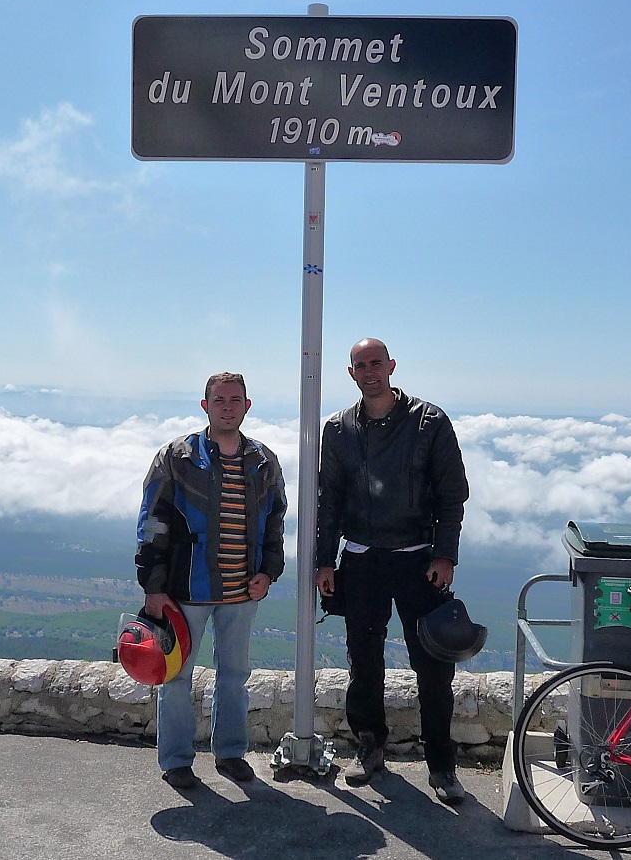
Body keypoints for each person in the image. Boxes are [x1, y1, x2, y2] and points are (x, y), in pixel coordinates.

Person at [316, 338, 470, 804]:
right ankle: (369, 748)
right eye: (360, 365)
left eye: (376, 363)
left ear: (391, 366)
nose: (369, 372)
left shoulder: (429, 421)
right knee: (363, 662)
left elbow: (452, 495)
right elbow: (329, 501)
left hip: (419, 560)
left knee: (433, 665)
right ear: (351, 373)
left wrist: (445, 556)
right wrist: (325, 560)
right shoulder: (338, 429)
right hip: (361, 560)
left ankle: (441, 765)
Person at [135, 372, 286, 789]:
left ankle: (231, 754)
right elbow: (153, 522)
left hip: (242, 591)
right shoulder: (177, 457)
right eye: (219, 400)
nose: (227, 407)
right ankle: (176, 761)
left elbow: (275, 521)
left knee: (234, 676)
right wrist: (153, 587)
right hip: (186, 590)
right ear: (205, 406)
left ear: (247, 406)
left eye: (235, 400)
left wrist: (268, 572)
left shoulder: (263, 461)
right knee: (175, 677)